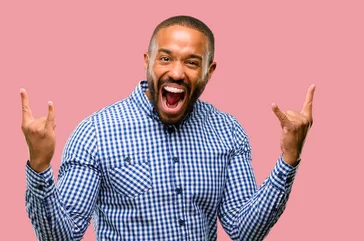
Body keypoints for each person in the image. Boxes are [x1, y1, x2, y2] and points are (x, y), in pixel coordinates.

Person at [21, 15, 315, 241]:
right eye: (165, 58)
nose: (176, 71)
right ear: (148, 62)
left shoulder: (228, 131)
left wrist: (289, 159)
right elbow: (63, 235)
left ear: (208, 72)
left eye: (191, 62)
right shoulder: (96, 132)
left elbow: (243, 230)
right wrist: (39, 166)